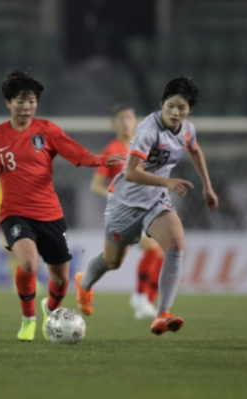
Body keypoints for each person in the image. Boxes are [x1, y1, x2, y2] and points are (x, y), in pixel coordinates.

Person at [0, 70, 124, 342]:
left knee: (61, 279)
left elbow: (76, 153)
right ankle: (28, 319)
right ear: (8, 102)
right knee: (28, 263)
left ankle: (49, 311)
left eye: (31, 101)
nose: (26, 107)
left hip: (50, 214)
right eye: (20, 101)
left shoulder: (47, 130)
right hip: (14, 214)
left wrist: (100, 160)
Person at [75, 76, 219, 335]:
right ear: (162, 103)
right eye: (171, 106)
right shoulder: (147, 130)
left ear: (190, 110)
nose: (176, 113)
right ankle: (84, 284)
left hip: (155, 200)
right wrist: (167, 180)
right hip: (124, 203)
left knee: (175, 243)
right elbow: (130, 173)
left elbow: (195, 150)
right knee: (112, 261)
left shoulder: (188, 129)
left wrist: (207, 186)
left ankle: (162, 313)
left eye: (182, 108)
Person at [90, 103, 164, 319]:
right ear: (114, 124)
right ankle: (142, 297)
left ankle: (145, 300)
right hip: (124, 213)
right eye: (121, 119)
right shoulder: (111, 150)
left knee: (160, 251)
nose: (126, 122)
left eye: (129, 118)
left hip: (145, 208)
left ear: (136, 121)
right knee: (152, 249)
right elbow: (95, 185)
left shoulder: (143, 148)